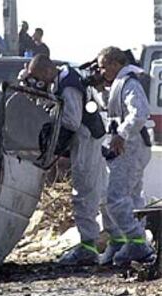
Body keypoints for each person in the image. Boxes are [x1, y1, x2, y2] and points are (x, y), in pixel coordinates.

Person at [24, 54, 106, 265]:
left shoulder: (68, 85)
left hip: (86, 140)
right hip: (86, 139)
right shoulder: (63, 79)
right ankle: (104, 242)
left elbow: (71, 120)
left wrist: (55, 139)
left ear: (46, 71)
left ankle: (88, 247)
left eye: (37, 76)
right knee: (95, 192)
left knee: (84, 192)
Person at [97, 46, 155, 266]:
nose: (102, 72)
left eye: (103, 67)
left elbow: (138, 113)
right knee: (132, 198)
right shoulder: (120, 84)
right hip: (131, 146)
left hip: (130, 147)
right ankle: (130, 242)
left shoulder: (129, 83)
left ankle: (137, 242)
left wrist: (121, 135)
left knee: (115, 198)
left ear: (115, 63)